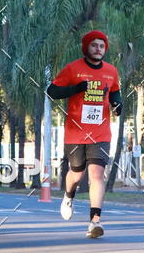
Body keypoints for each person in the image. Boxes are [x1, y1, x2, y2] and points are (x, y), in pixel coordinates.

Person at [47, 30, 122, 239]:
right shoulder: (73, 69)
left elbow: (115, 92)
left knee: (97, 174)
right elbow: (52, 91)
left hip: (101, 131)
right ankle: (68, 195)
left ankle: (94, 222)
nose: (98, 49)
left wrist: (118, 105)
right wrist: (77, 88)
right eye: (94, 45)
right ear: (86, 47)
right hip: (76, 132)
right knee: (77, 173)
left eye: (102, 45)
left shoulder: (111, 71)